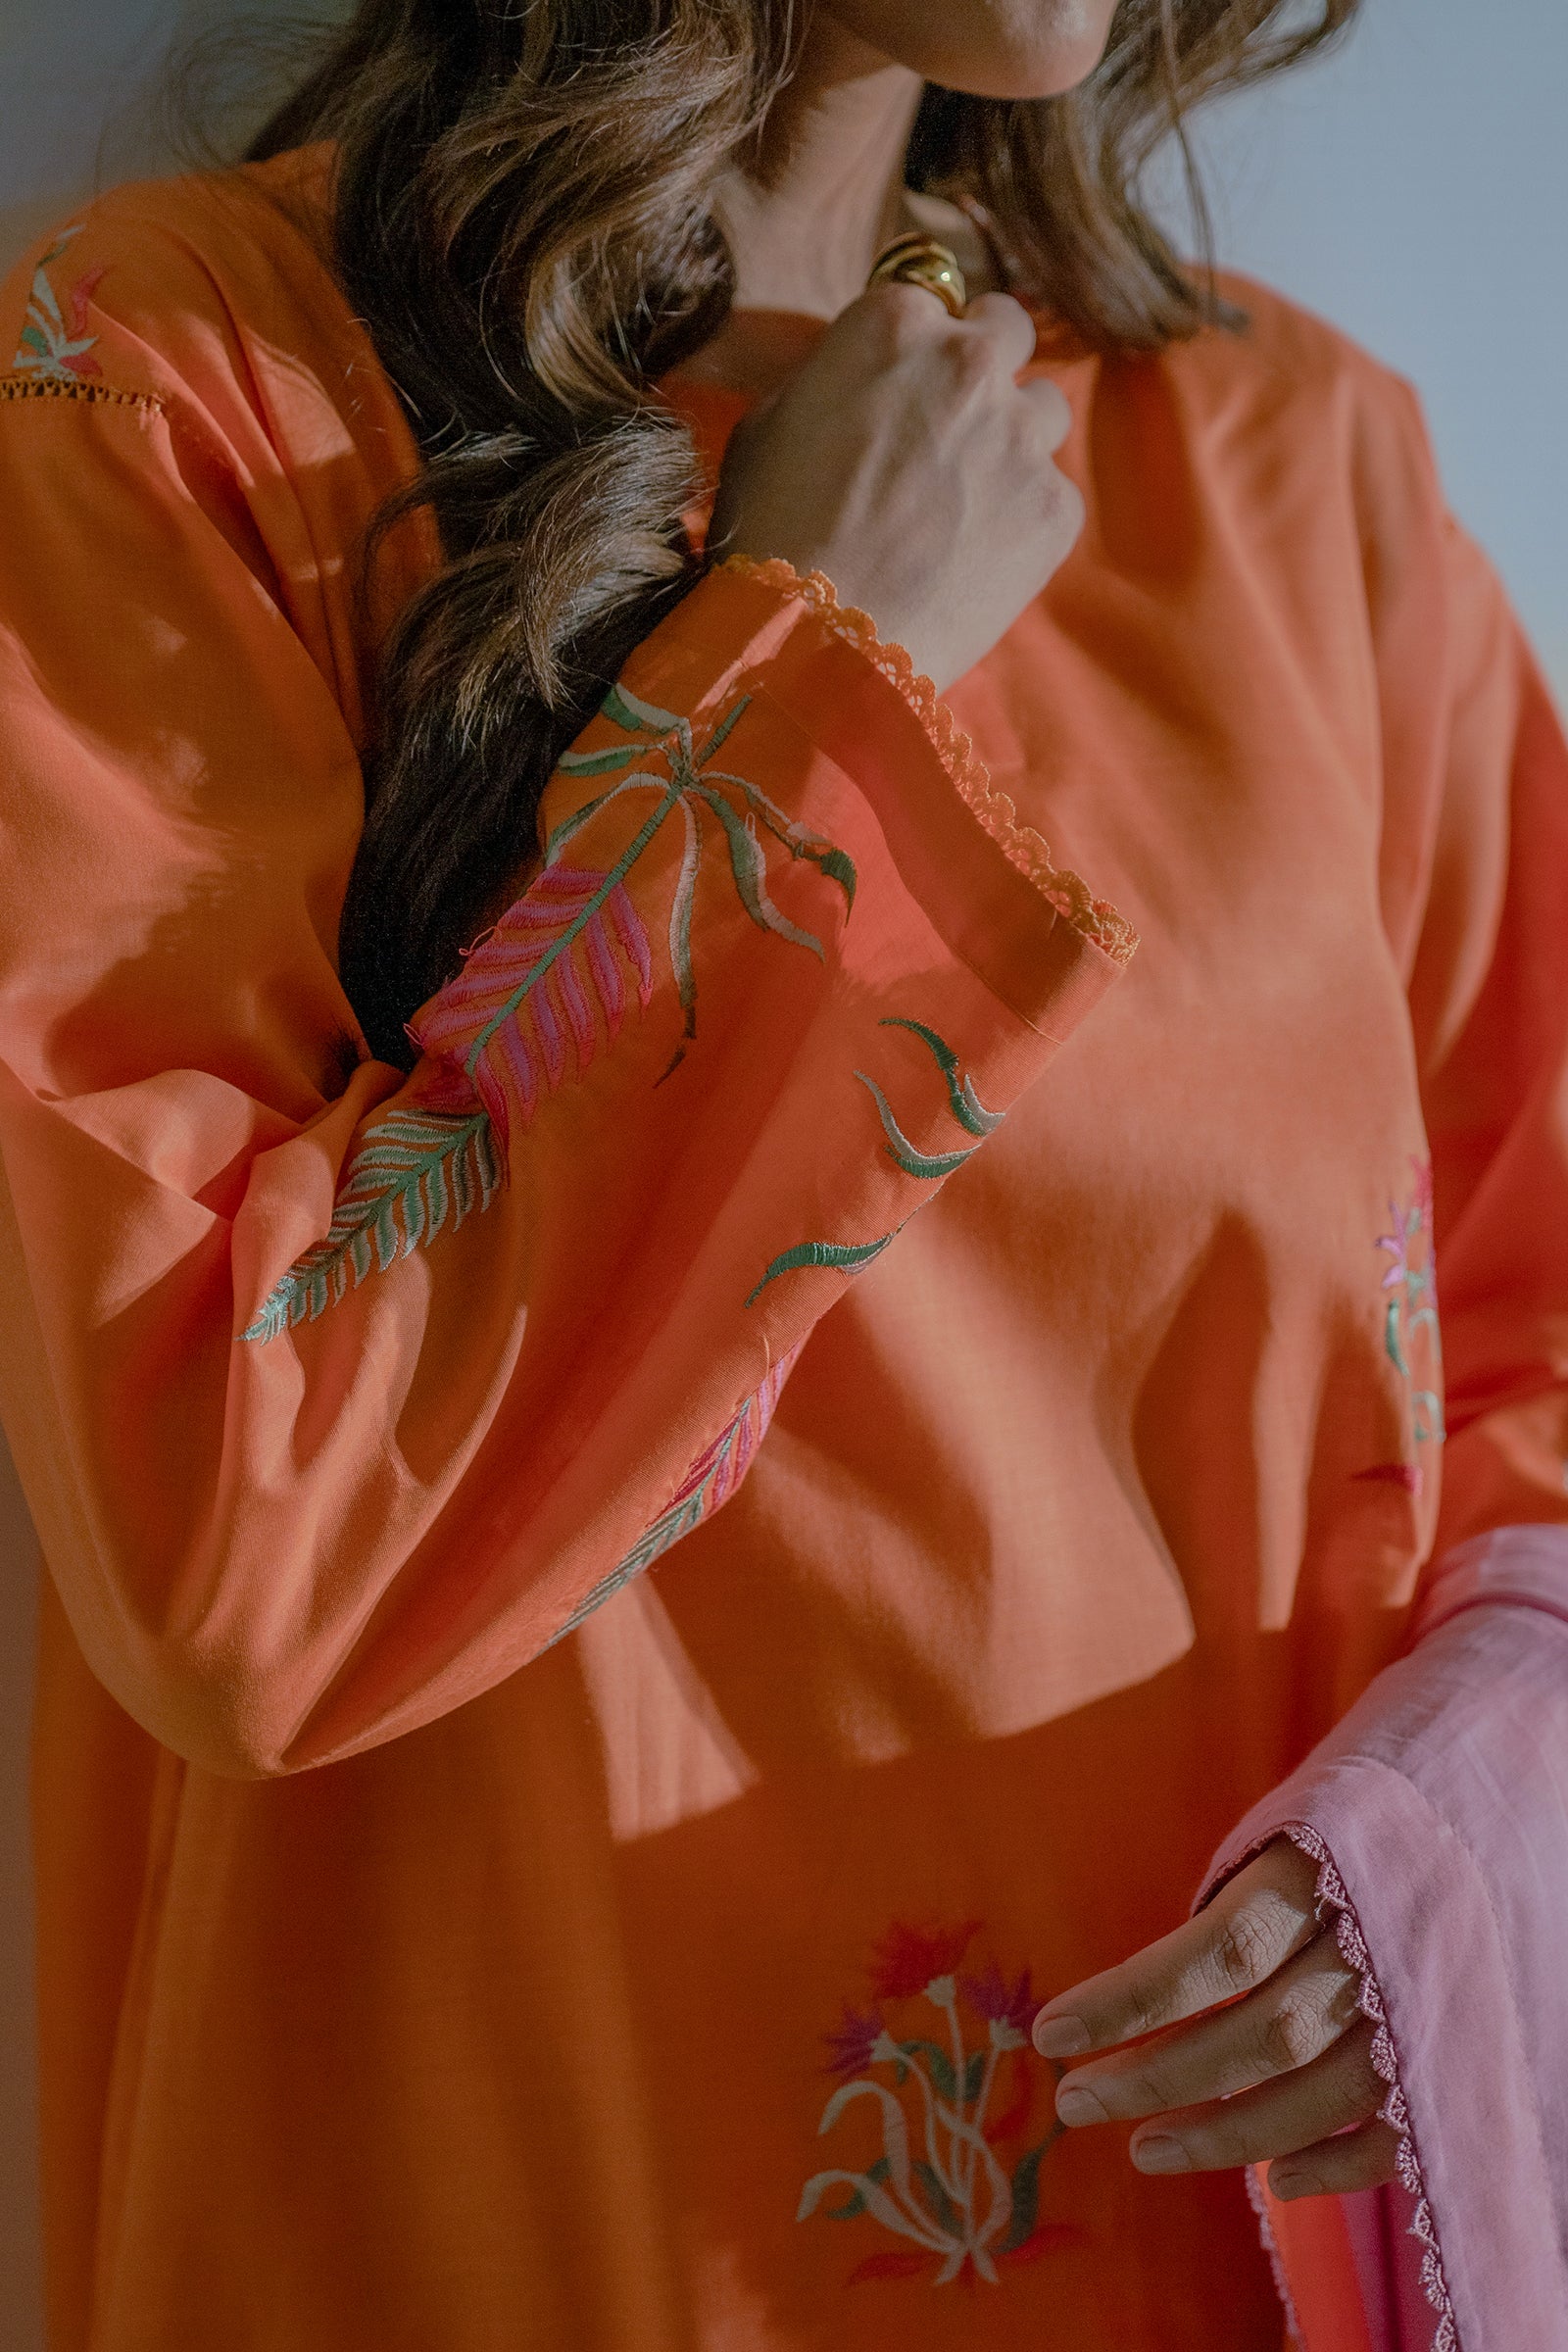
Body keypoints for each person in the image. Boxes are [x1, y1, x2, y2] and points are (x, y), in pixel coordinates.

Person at [1, 1, 1564, 2344]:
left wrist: (1447, 1855)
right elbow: (244, 1537)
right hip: (521, 2238)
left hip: (1212, 2243)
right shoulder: (174, 393)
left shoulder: (1287, 470)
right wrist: (816, 672)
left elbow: (1533, 1341)